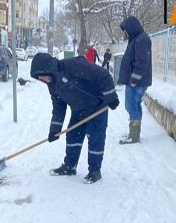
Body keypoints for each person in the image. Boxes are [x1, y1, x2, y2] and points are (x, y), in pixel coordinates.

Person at [30, 53, 119, 184]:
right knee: (73, 136)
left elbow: (103, 75)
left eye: (42, 75)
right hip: (79, 109)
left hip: (97, 106)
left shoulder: (73, 65)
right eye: (39, 78)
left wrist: (111, 97)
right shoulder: (52, 84)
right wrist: (54, 130)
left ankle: (95, 171)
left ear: (47, 68)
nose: (42, 79)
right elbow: (59, 107)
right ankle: (70, 166)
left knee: (95, 138)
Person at [118, 16, 152, 145]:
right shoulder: (136, 39)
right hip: (136, 81)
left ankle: (134, 136)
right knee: (134, 106)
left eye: (125, 30)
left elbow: (142, 62)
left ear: (131, 28)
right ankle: (134, 134)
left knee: (132, 107)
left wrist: (134, 79)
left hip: (136, 82)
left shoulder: (141, 40)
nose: (124, 33)